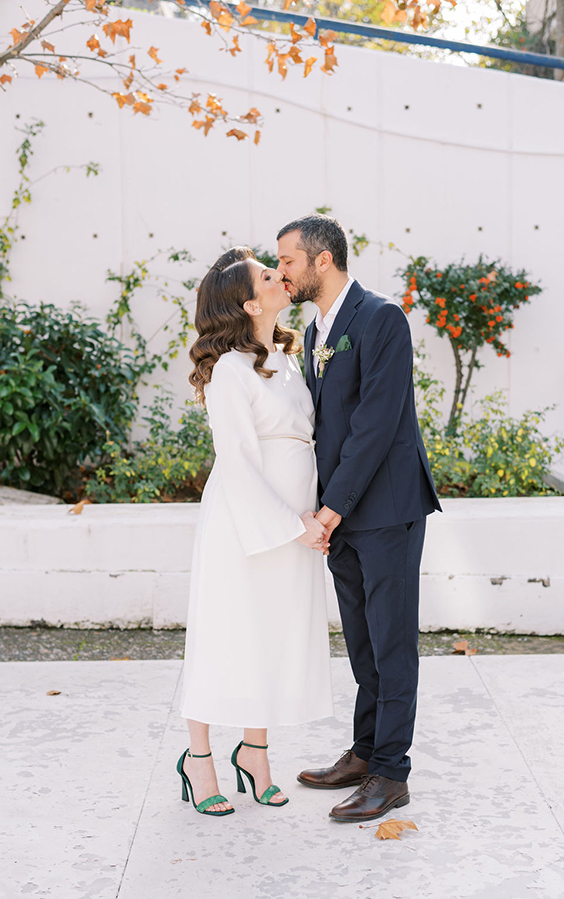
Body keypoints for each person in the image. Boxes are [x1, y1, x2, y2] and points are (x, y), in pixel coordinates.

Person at [277, 215, 442, 824]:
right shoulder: (318, 327)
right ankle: (365, 750)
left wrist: (329, 509)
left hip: (387, 510)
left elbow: (374, 425)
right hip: (341, 517)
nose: (282, 273)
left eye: (288, 261)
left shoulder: (381, 318)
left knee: (392, 642)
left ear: (322, 261)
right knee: (362, 642)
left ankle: (391, 774)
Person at [178, 247, 333, 817]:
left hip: (296, 523)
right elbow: (237, 462)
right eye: (269, 275)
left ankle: (256, 753)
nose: (282, 276)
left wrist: (315, 517)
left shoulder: (290, 360)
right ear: (250, 301)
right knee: (225, 634)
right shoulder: (227, 373)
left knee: (271, 635)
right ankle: (199, 761)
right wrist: (293, 525)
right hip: (245, 522)